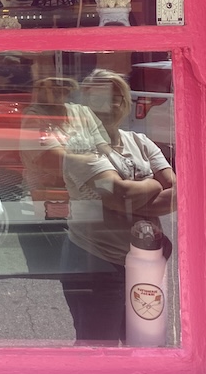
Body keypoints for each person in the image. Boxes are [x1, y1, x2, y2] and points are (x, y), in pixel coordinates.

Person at [60, 69, 176, 345]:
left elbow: (176, 193)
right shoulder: (80, 148)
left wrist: (130, 199)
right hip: (96, 262)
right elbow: (120, 195)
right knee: (100, 348)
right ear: (85, 104)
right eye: (99, 97)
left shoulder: (140, 142)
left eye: (116, 97)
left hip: (145, 265)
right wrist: (153, 184)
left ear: (124, 103)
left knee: (146, 345)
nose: (109, 105)